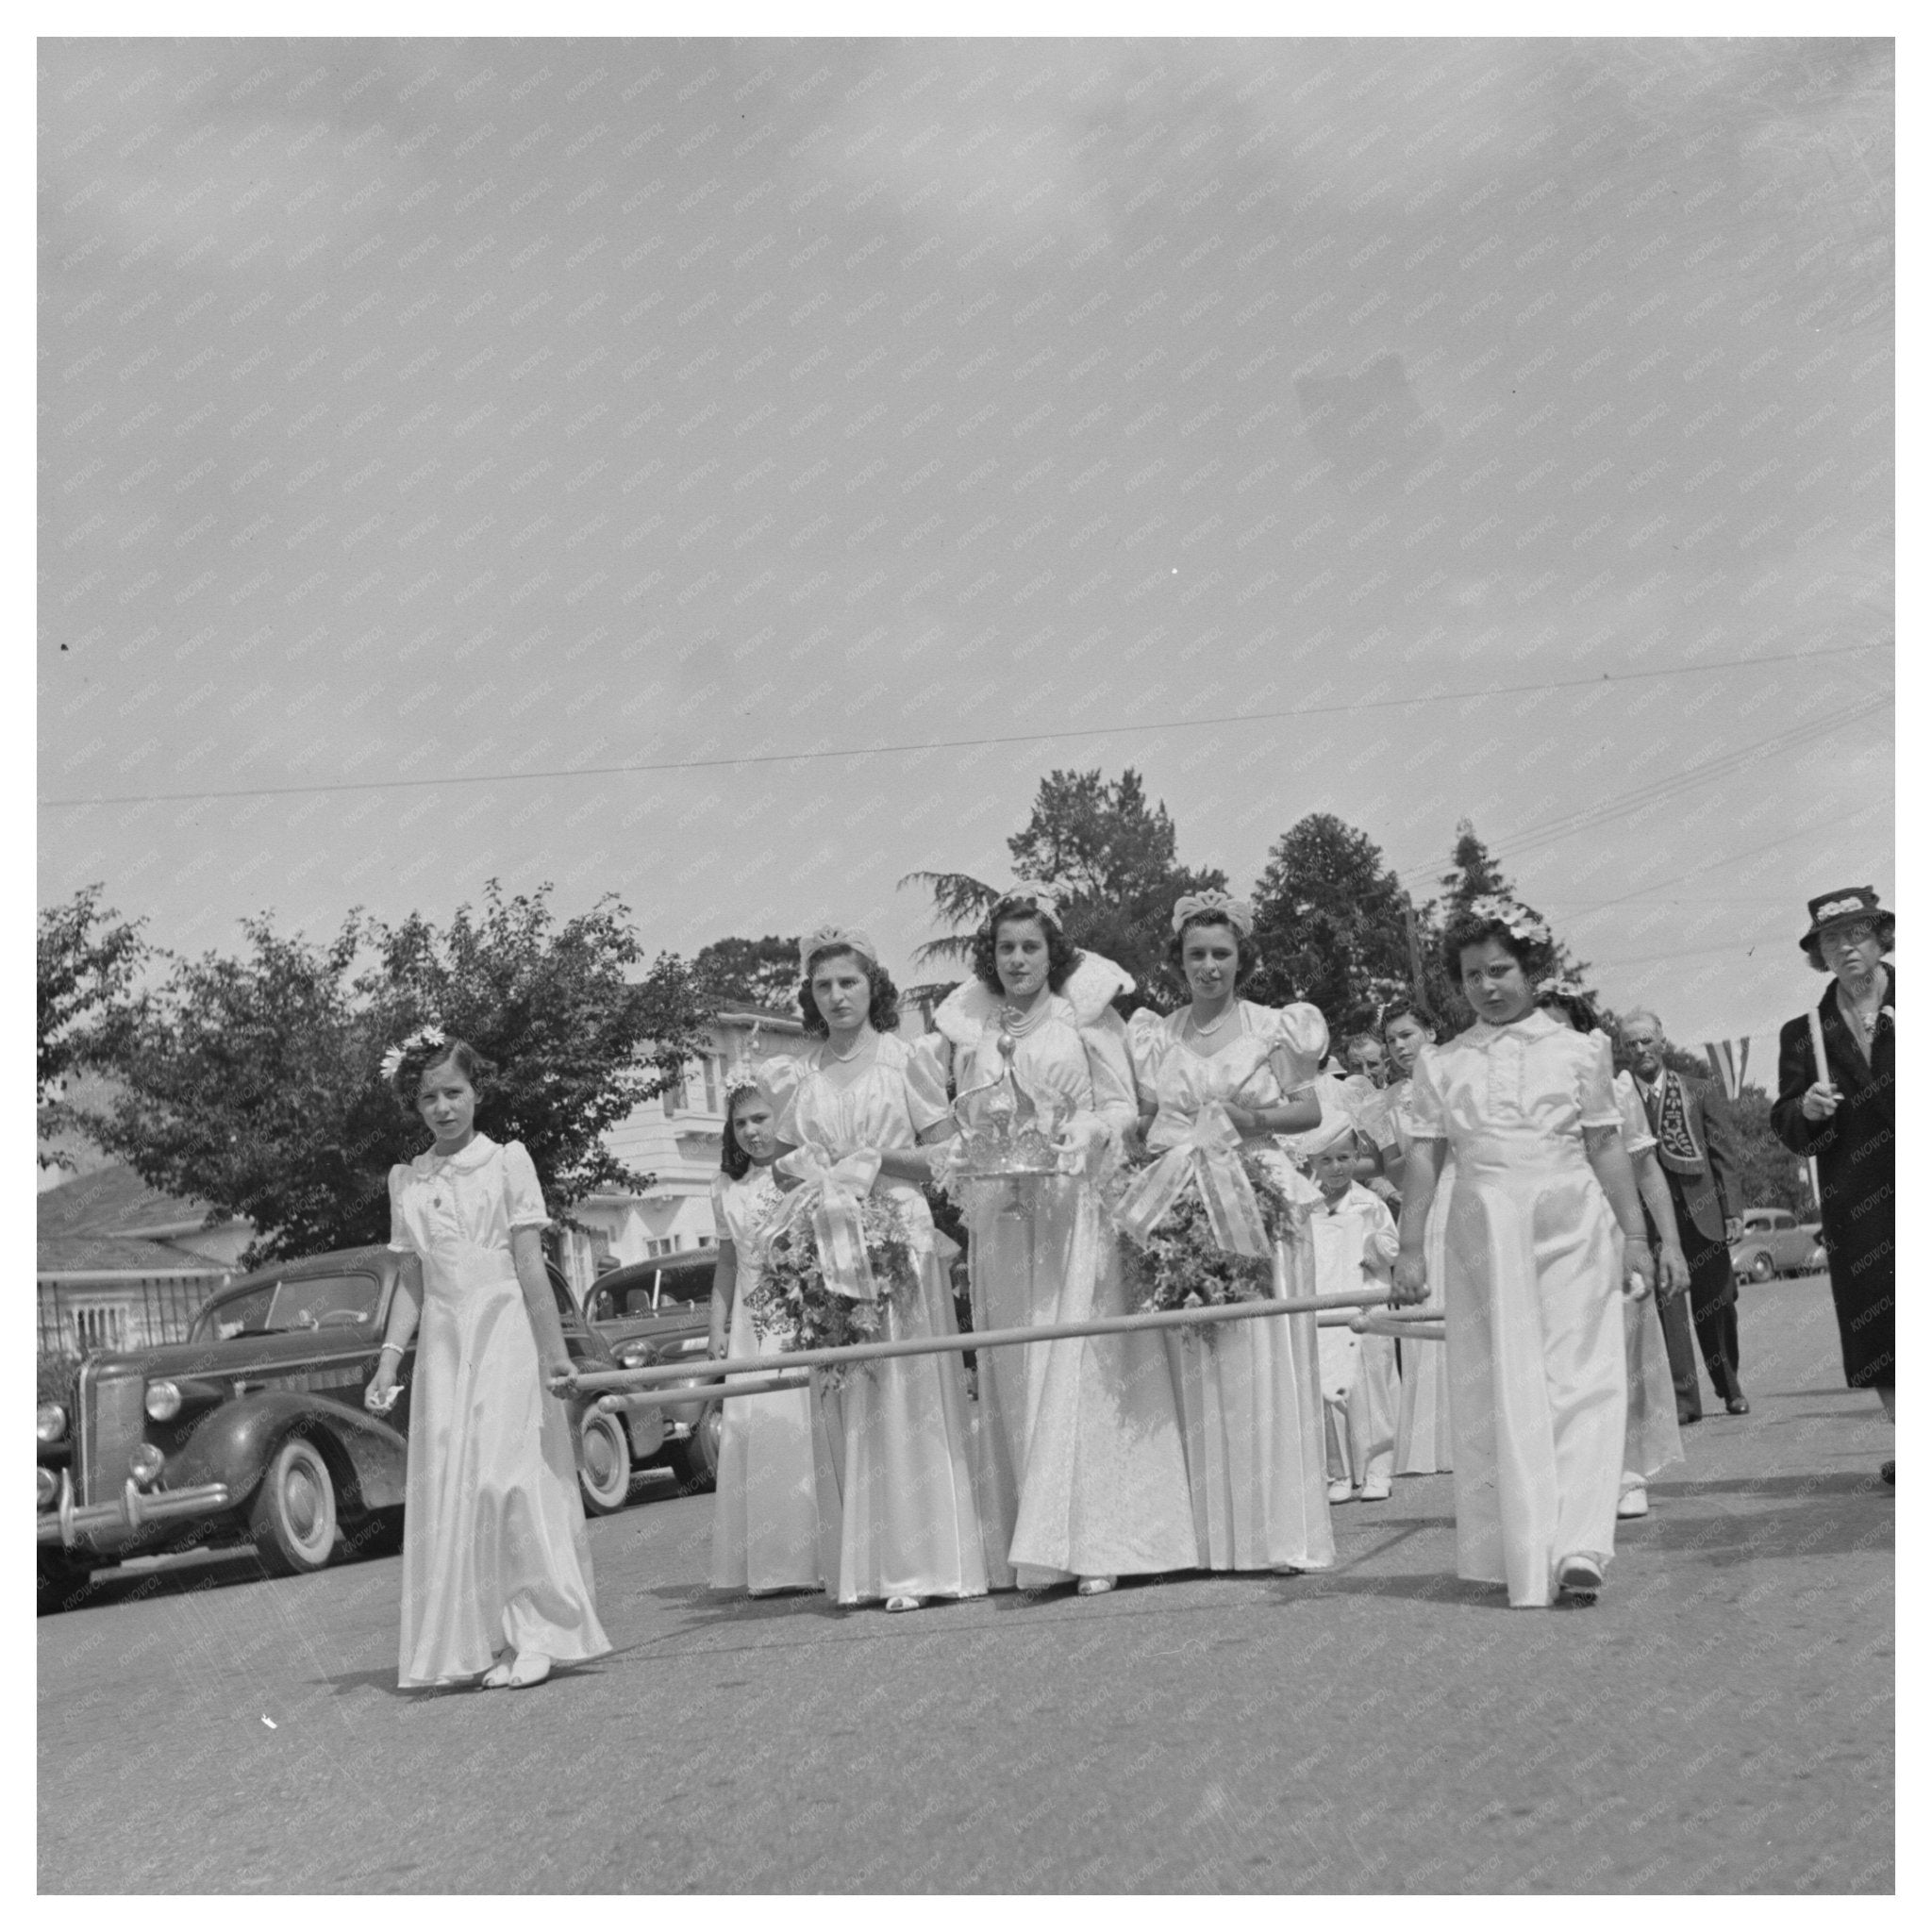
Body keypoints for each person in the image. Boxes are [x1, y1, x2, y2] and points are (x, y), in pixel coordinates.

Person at [922, 891, 1195, 1595]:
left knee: (1080, 1363)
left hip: (1076, 1207)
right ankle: (1038, 1544)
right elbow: (965, 1120)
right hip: (1007, 1221)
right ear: (992, 956)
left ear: (1052, 954)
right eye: (1006, 948)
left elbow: (1122, 1105)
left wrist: (1090, 1132)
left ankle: (1098, 1540)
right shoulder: (974, 1034)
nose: (1017, 960)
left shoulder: (1087, 1018)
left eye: (1030, 948)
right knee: (1021, 1366)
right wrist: (971, 1158)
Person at [1392, 899, 1657, 1607]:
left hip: (1571, 1220)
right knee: (1501, 1387)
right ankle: (1523, 1547)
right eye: (1472, 974)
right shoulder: (1442, 1064)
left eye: (1501, 970)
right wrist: (1409, 1247)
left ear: (1533, 969)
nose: (1487, 986)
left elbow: (1606, 1144)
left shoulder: (1580, 1051)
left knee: (1582, 1378)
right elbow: (1423, 1158)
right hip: (1484, 1227)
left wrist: (1635, 1236)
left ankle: (1580, 1543)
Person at [366, 1029, 610, 1690]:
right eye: (428, 1097)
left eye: (454, 1092)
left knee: (509, 1479)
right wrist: (390, 1362)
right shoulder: (407, 1180)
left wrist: (555, 1355)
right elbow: (412, 1281)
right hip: (446, 1345)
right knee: (462, 1489)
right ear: (414, 1105)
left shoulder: (507, 1162)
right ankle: (491, 1640)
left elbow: (531, 1266)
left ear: (476, 1093)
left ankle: (541, 1631)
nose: (443, 1107)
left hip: (504, 1332)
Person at [1124, 889, 1332, 1574]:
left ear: (1242, 957)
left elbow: (1308, 1113)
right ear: (1177, 962)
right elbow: (1146, 1123)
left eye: (1222, 954)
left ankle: (1274, 1531)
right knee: (1201, 1352)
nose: (1209, 967)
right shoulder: (1157, 1032)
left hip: (1254, 1195)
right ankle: (1210, 1537)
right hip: (1185, 1196)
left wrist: (1256, 1124)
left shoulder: (1276, 1027)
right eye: (1196, 956)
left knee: (1260, 1351)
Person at [779, 927, 987, 1612]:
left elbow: (946, 1155)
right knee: (856, 1393)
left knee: (909, 1389)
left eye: (849, 983)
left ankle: (926, 1561)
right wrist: (812, 1177)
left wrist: (872, 1160)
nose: (836, 997)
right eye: (823, 986)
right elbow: (782, 1168)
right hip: (833, 1238)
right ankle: (870, 1567)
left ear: (874, 988)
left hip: (898, 1233)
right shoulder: (803, 1076)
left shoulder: (906, 1061)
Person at [1538, 986, 1690, 1521]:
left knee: (1622, 1351)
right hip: (1542, 1237)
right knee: (1552, 1357)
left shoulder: (1615, 1089)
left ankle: (1626, 1471)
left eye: (1559, 1030)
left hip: (1609, 1231)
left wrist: (1664, 1243)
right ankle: (1563, 1474)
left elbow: (1647, 1172)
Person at [1771, 887, 1894, 1485]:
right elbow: (1788, 1124)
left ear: (1880, 938)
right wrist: (1810, 1110)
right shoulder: (1804, 1032)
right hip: (1858, 1199)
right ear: (1819, 953)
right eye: (1831, 939)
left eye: (1857, 934)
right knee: (1879, 1322)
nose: (1846, 947)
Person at [708, 1071, 826, 1597]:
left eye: (760, 1118)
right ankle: (772, 1562)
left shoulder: (801, 1170)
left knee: (797, 1421)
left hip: (797, 1309)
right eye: (740, 1124)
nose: (752, 1132)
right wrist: (716, 1327)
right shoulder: (725, 1188)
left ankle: (816, 1554)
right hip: (749, 1324)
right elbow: (728, 1262)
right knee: (757, 1431)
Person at [1621, 1008, 1747, 1420]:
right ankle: (1684, 1401)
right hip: (1652, 1221)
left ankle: (1730, 1387)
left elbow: (1723, 1154)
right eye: (1631, 1044)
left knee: (1718, 1303)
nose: (1641, 1050)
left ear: (1661, 1040)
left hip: (1703, 1214)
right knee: (1668, 1308)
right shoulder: (1620, 1097)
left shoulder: (1697, 1088)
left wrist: (1732, 1209)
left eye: (1646, 1040)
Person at [1360, 996, 1456, 1478]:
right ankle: (1435, 1437)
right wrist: (1417, 1155)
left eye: (1407, 1035)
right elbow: (1393, 1167)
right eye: (1392, 1039)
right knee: (1427, 1302)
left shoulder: (1457, 1074)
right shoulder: (1384, 1103)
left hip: (1465, 1191)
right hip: (1424, 1204)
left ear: (1431, 1033)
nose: (1399, 1046)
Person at [1303, 1120, 1400, 1504]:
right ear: (1313, 1161)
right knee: (1330, 1388)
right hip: (1325, 1303)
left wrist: (1369, 1248)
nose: (1336, 1167)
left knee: (1371, 1386)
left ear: (1357, 1158)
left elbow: (1390, 1246)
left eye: (1344, 1158)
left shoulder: (1369, 1203)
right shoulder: (1306, 1204)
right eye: (1326, 1160)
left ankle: (1377, 1470)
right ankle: (1338, 1472)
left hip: (1364, 1300)